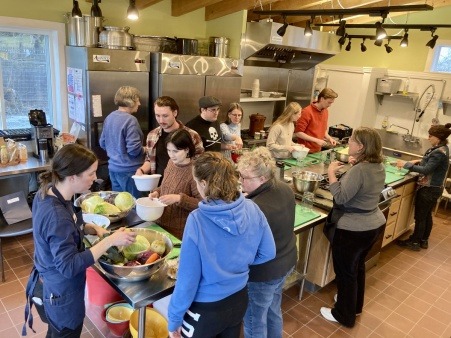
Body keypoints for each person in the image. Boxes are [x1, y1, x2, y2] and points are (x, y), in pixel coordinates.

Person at [23, 144, 137, 337]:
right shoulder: (56, 216)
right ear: (73, 176)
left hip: (51, 286)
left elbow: (69, 226)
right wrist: (109, 241)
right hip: (62, 295)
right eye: (91, 173)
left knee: (55, 332)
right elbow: (68, 266)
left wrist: (93, 228)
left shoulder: (49, 191)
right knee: (65, 332)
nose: (95, 178)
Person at [167, 152, 276, 338]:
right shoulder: (252, 207)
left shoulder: (197, 220)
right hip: (238, 299)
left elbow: (187, 279)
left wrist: (174, 318)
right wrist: (238, 264)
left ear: (203, 184)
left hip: (205, 308)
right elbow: (268, 252)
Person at [320, 127, 386, 328]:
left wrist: (332, 173)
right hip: (373, 224)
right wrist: (353, 167)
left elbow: (340, 197)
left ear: (361, 147)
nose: (348, 143)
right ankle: (354, 305)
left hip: (353, 229)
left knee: (345, 272)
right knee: (357, 267)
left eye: (352, 141)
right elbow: (362, 184)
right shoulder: (377, 166)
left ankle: (343, 315)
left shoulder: (359, 170)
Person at [236, 147, 297, 338]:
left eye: (245, 178)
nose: (241, 181)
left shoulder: (255, 208)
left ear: (263, 179)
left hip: (264, 273)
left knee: (254, 320)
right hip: (286, 262)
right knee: (273, 310)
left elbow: (246, 249)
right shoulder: (285, 188)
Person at [396, 123, 451, 251]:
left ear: (438, 137)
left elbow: (427, 169)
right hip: (434, 188)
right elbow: (429, 163)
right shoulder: (441, 148)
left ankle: (414, 242)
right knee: (426, 215)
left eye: (430, 136)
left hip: (429, 189)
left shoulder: (439, 152)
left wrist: (406, 165)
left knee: (420, 217)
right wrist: (416, 162)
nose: (428, 138)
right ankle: (423, 240)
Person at [149, 129, 202, 239]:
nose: (171, 155)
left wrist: (179, 198)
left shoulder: (195, 172)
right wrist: (156, 192)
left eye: (176, 151)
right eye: (169, 150)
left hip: (179, 231)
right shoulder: (171, 163)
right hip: (160, 222)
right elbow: (165, 186)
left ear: (187, 149)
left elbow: (202, 204)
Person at [136, 96, 204, 179]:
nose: (161, 120)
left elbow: (200, 163)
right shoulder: (152, 135)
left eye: (165, 116)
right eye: (157, 115)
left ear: (175, 113)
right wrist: (141, 170)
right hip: (157, 185)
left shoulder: (191, 135)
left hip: (182, 184)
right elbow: (150, 159)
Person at [99, 86, 145, 198]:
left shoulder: (110, 117)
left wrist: (115, 151)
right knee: (135, 206)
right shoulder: (130, 120)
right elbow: (134, 150)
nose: (139, 103)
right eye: (137, 100)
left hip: (113, 170)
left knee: (120, 206)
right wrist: (145, 149)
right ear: (131, 101)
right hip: (130, 172)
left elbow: (102, 143)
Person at [295, 88, 338, 153]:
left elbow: (323, 130)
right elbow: (298, 133)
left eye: (331, 103)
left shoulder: (325, 111)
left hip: (317, 150)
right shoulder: (307, 112)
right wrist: (316, 140)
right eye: (329, 102)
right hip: (304, 151)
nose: (330, 105)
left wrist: (329, 138)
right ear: (322, 99)